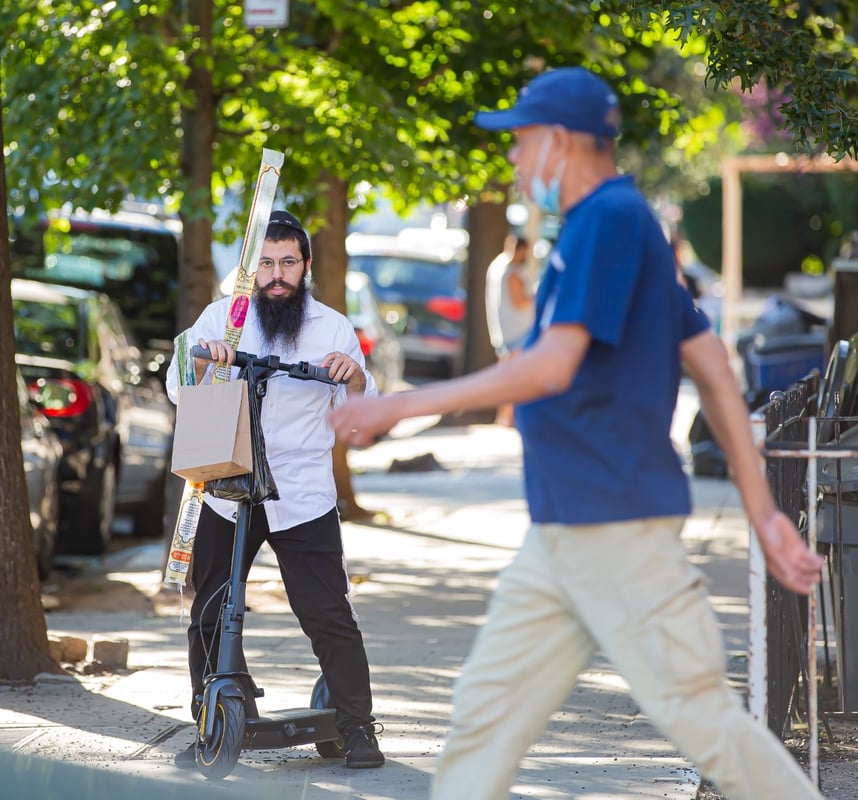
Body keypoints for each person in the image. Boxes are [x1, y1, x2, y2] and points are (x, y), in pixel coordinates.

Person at [329, 67, 825, 799]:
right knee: (482, 720)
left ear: (560, 141)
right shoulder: (610, 226)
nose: (514, 160)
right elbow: (714, 365)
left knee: (702, 718)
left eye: (521, 142)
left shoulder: (608, 220)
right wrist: (764, 515)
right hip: (562, 530)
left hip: (615, 527)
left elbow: (553, 364)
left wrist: (396, 407)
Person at [165, 209, 385, 769]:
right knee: (210, 610)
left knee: (327, 611)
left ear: (306, 266)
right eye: (266, 263)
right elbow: (176, 386)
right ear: (251, 269)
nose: (277, 274)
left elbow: (361, 412)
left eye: (288, 262)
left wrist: (353, 375)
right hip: (227, 487)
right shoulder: (223, 319)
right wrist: (207, 364)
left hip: (301, 491)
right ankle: (211, 720)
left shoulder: (332, 327)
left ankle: (359, 727)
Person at [483, 233, 533, 425]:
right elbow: (519, 301)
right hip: (517, 331)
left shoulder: (496, 266)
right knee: (515, 378)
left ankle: (504, 417)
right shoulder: (512, 271)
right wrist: (536, 298)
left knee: (506, 376)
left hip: (503, 330)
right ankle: (508, 418)